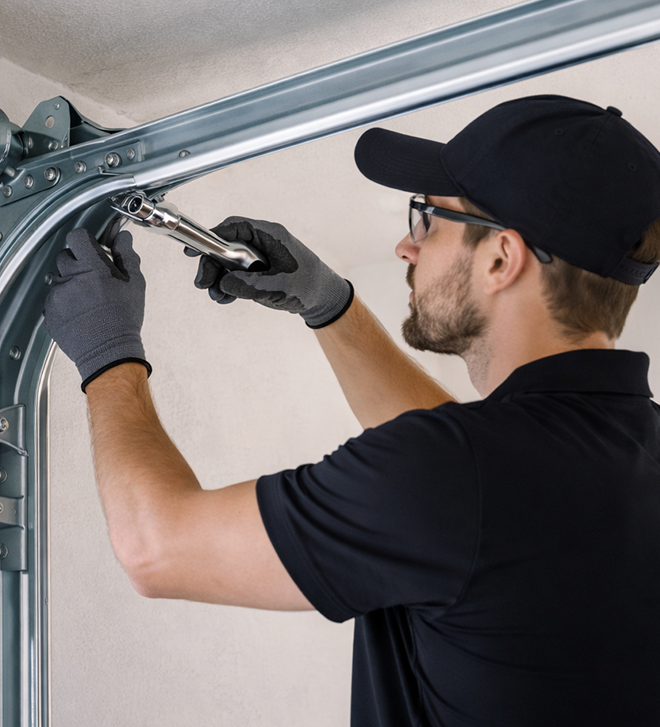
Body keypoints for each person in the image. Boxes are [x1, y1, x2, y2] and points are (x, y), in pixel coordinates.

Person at [42, 94, 660, 726]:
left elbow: (157, 548)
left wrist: (107, 351)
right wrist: (330, 305)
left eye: (429, 219)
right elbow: (479, 486)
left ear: (502, 258)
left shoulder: (464, 472)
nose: (406, 246)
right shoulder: (627, 448)